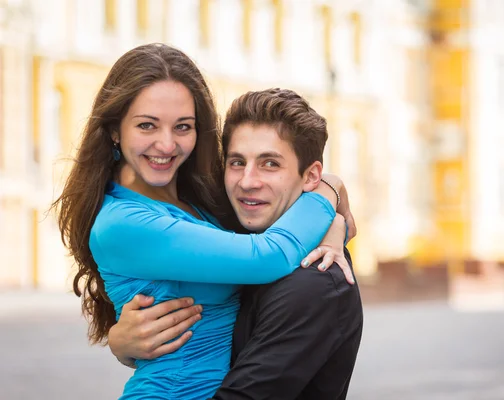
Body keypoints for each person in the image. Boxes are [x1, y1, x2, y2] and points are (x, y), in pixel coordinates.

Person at [51, 44, 355, 399]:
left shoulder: (199, 201)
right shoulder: (122, 222)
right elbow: (268, 255)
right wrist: (328, 190)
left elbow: (283, 224)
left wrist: (333, 222)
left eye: (183, 127)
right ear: (115, 130)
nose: (166, 145)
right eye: (147, 125)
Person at [109, 88, 364, 399]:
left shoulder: (313, 284)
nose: (247, 181)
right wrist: (120, 342)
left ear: (310, 175)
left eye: (270, 164)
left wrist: (331, 199)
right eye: (237, 162)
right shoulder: (229, 235)